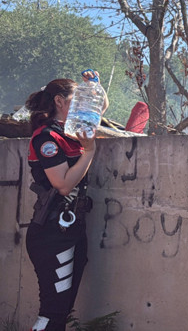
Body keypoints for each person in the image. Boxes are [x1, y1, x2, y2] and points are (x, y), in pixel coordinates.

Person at [25, 72, 109, 331]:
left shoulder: (74, 131)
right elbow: (61, 185)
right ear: (60, 101)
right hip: (52, 233)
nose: (84, 103)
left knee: (61, 313)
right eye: (78, 98)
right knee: (52, 313)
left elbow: (100, 107)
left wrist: (95, 88)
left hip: (70, 229)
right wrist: (90, 151)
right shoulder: (46, 137)